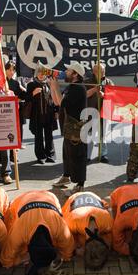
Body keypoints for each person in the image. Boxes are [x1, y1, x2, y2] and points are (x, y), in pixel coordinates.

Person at [0, 190, 74, 275]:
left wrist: (20, 259)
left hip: (49, 196)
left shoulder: (61, 229)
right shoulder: (19, 231)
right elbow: (5, 261)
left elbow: (68, 253)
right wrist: (21, 259)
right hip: (24, 197)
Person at [51, 62, 87, 195]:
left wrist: (55, 87)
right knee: (67, 154)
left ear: (75, 74)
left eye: (68, 71)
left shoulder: (78, 88)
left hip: (76, 129)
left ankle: (80, 184)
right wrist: (53, 87)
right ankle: (66, 176)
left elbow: (61, 102)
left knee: (77, 156)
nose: (65, 72)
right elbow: (57, 103)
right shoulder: (71, 87)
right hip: (69, 127)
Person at [62, 191, 113, 270]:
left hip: (92, 195)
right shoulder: (71, 224)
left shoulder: (108, 222)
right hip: (77, 197)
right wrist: (74, 251)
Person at [26, 65, 57, 164]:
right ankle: (40, 156)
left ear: (46, 74)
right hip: (36, 115)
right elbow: (26, 99)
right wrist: (32, 94)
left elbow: (54, 98)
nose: (40, 74)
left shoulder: (49, 83)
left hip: (49, 113)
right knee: (38, 136)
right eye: (39, 72)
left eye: (42, 72)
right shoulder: (31, 84)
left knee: (49, 135)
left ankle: (50, 155)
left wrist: (56, 110)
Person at [85, 63, 114, 163]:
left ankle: (103, 155)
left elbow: (113, 96)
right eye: (98, 70)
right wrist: (94, 89)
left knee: (103, 135)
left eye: (103, 70)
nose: (101, 72)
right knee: (90, 135)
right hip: (90, 112)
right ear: (93, 71)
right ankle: (87, 156)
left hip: (104, 112)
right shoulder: (87, 82)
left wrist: (104, 95)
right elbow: (84, 95)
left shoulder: (109, 82)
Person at [5, 61, 27, 151]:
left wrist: (22, 92)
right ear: (5, 70)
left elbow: (22, 95)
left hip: (16, 108)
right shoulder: (2, 82)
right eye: (9, 70)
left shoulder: (16, 83)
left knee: (19, 126)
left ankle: (18, 143)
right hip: (6, 111)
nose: (11, 72)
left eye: (13, 70)